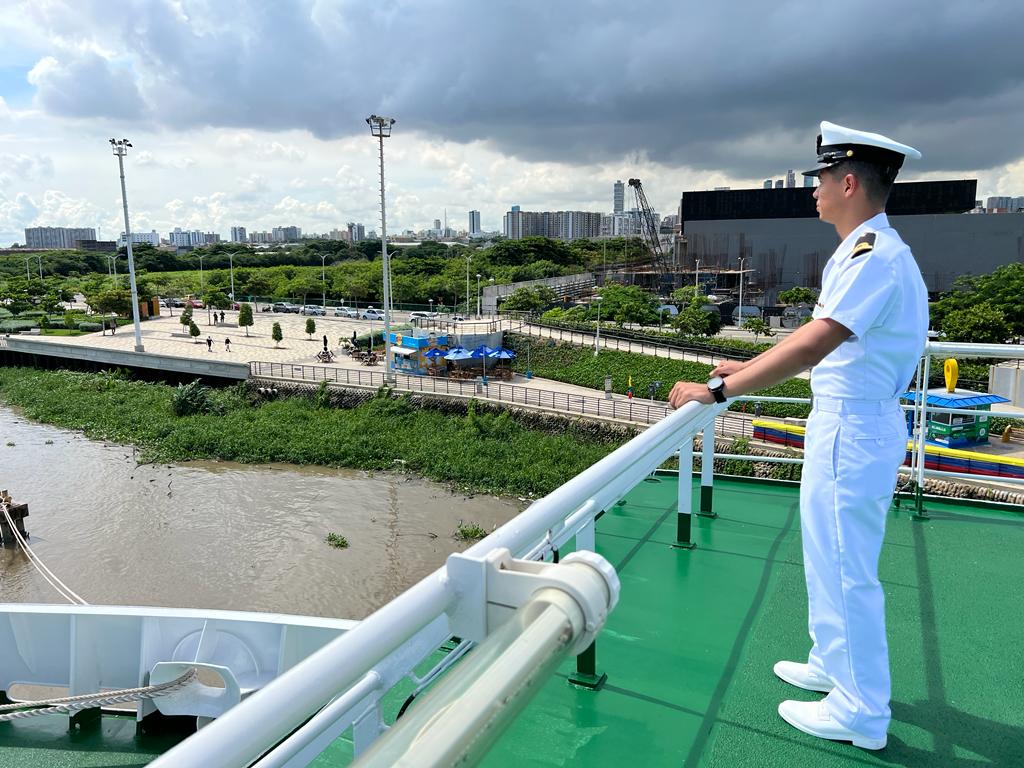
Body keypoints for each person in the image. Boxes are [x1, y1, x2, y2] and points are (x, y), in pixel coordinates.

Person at [668, 121, 928, 751]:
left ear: (847, 182)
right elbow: (816, 340)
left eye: (819, 179)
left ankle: (862, 711)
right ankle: (833, 664)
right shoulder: (861, 250)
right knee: (825, 554)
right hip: (844, 421)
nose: (812, 190)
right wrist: (745, 364)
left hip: (855, 425)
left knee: (848, 567)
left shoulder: (874, 255)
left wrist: (723, 391)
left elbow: (819, 340)